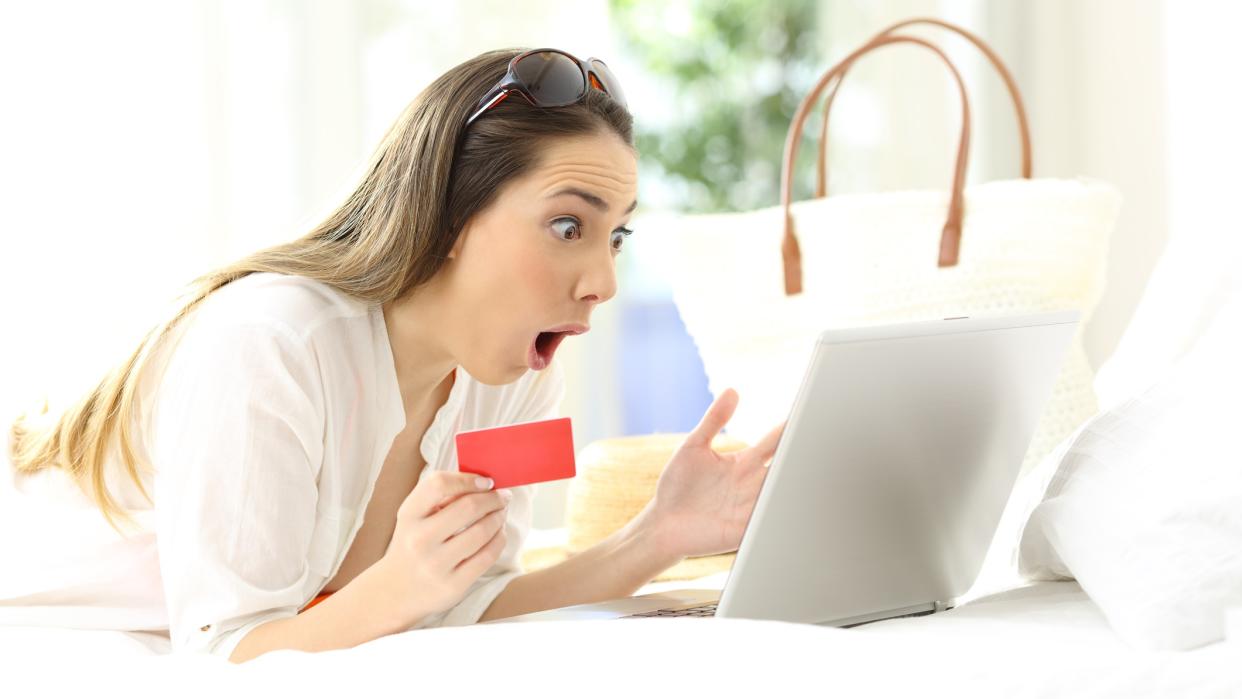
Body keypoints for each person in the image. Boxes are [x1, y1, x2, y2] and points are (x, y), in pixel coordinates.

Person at [0, 48, 786, 664]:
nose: (604, 283)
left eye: (616, 235)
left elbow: (470, 598)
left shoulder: (510, 370)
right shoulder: (271, 346)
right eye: (567, 227)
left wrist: (657, 535)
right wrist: (400, 586)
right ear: (447, 216)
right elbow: (228, 658)